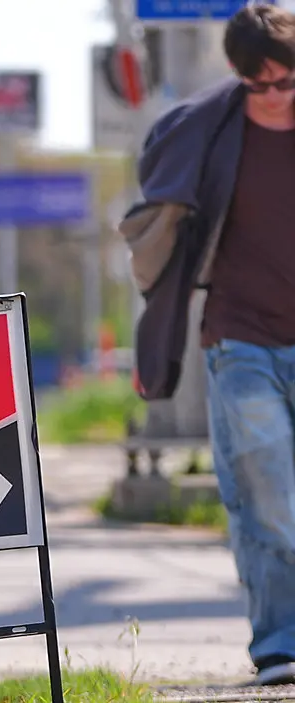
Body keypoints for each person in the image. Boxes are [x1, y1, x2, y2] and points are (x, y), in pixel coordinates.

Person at [119, 3, 295, 687]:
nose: (274, 96)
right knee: (266, 493)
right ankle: (280, 643)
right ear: (236, 73)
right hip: (240, 339)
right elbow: (159, 178)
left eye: (287, 81)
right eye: (259, 83)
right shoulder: (208, 129)